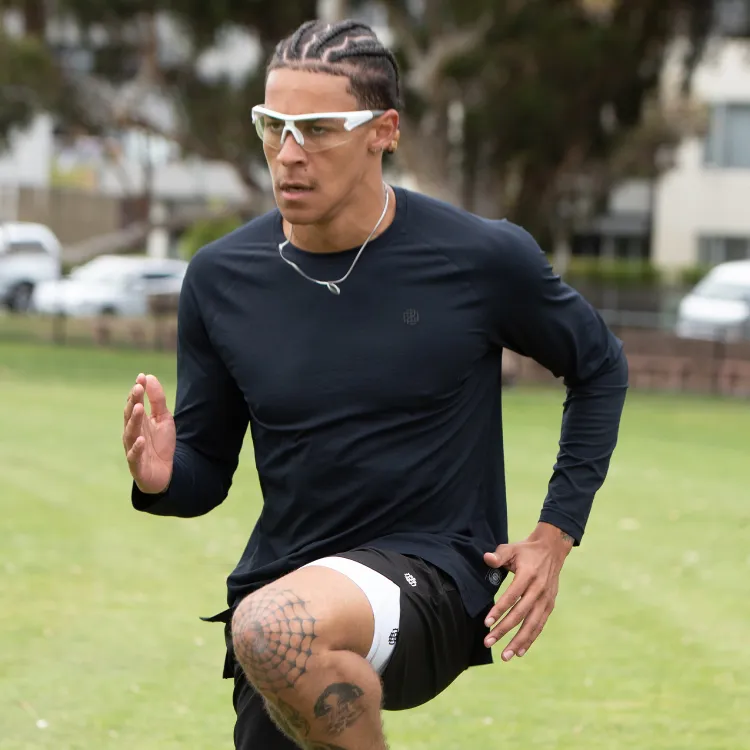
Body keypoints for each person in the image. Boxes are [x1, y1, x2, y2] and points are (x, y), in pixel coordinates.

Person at [122, 17, 629, 750]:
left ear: (383, 132)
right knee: (271, 631)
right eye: (273, 127)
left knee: (272, 627)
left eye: (317, 130)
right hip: (284, 585)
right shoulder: (220, 278)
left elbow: (600, 366)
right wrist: (165, 475)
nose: (288, 154)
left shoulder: (480, 258)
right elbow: (207, 471)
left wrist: (555, 536)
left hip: (435, 573)